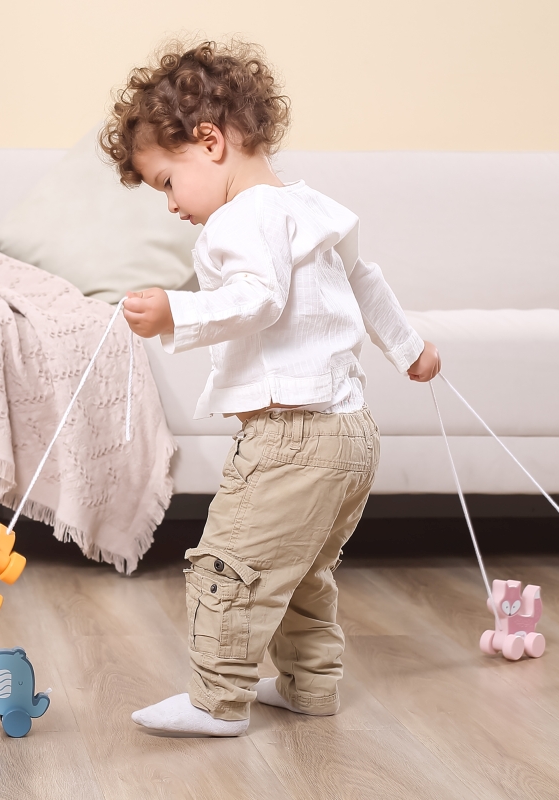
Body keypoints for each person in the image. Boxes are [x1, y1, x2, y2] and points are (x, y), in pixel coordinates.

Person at [99, 39, 441, 737]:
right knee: (302, 572)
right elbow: (365, 281)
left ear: (210, 141)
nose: (171, 205)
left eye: (167, 182)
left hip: (292, 440)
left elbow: (257, 299)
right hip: (350, 437)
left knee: (234, 565)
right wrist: (411, 349)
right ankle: (309, 686)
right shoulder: (308, 205)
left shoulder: (241, 217)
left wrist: (177, 311)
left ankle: (215, 701)